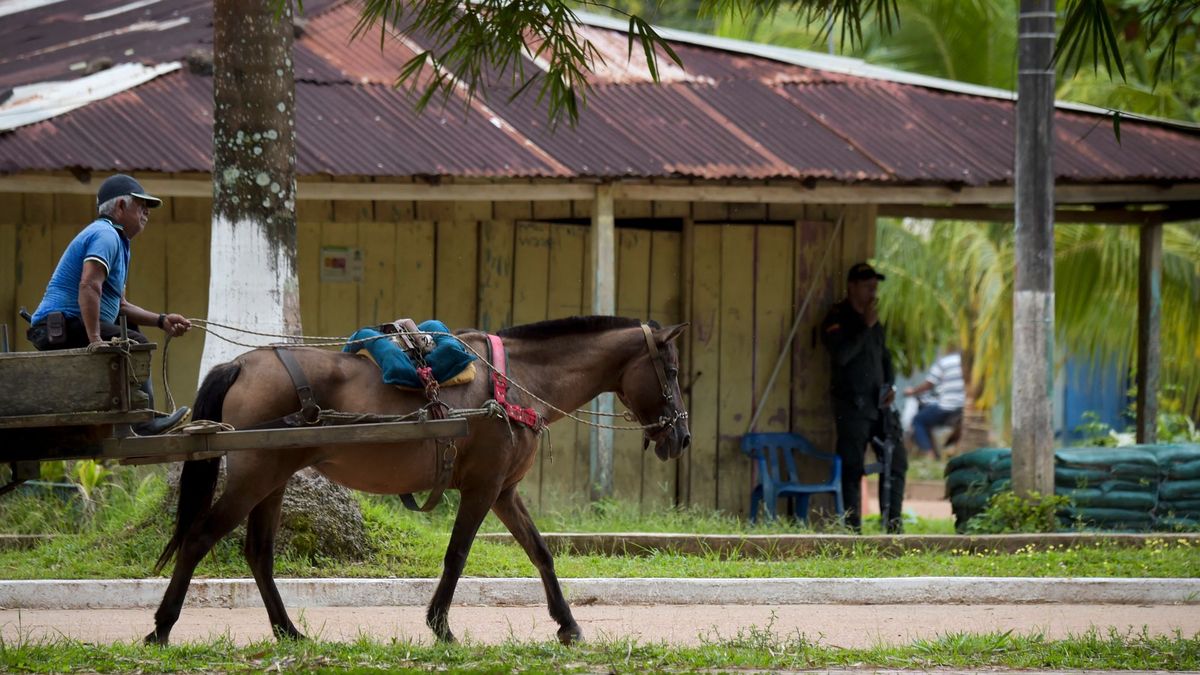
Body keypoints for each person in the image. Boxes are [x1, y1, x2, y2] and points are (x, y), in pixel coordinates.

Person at [26, 174, 193, 435]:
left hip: (71, 323)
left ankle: (137, 415)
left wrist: (162, 320)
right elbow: (88, 285)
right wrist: (95, 339)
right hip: (59, 326)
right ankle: (142, 423)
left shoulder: (118, 240)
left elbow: (121, 306)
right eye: (141, 205)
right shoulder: (105, 235)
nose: (146, 212)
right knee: (134, 342)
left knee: (128, 326)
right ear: (120, 207)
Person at [821, 262, 907, 533]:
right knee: (852, 467)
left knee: (897, 461)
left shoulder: (874, 323)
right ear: (853, 287)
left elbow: (886, 358)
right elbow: (842, 355)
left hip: (879, 407)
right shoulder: (837, 319)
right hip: (852, 407)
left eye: (875, 287)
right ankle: (852, 529)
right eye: (868, 287)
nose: (873, 292)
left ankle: (892, 526)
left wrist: (891, 385)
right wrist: (865, 327)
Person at [903, 347, 965, 459]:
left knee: (918, 420)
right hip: (963, 407)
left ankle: (929, 455)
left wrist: (912, 391)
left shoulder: (944, 362)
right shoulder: (966, 362)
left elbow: (929, 384)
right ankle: (947, 450)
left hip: (947, 407)